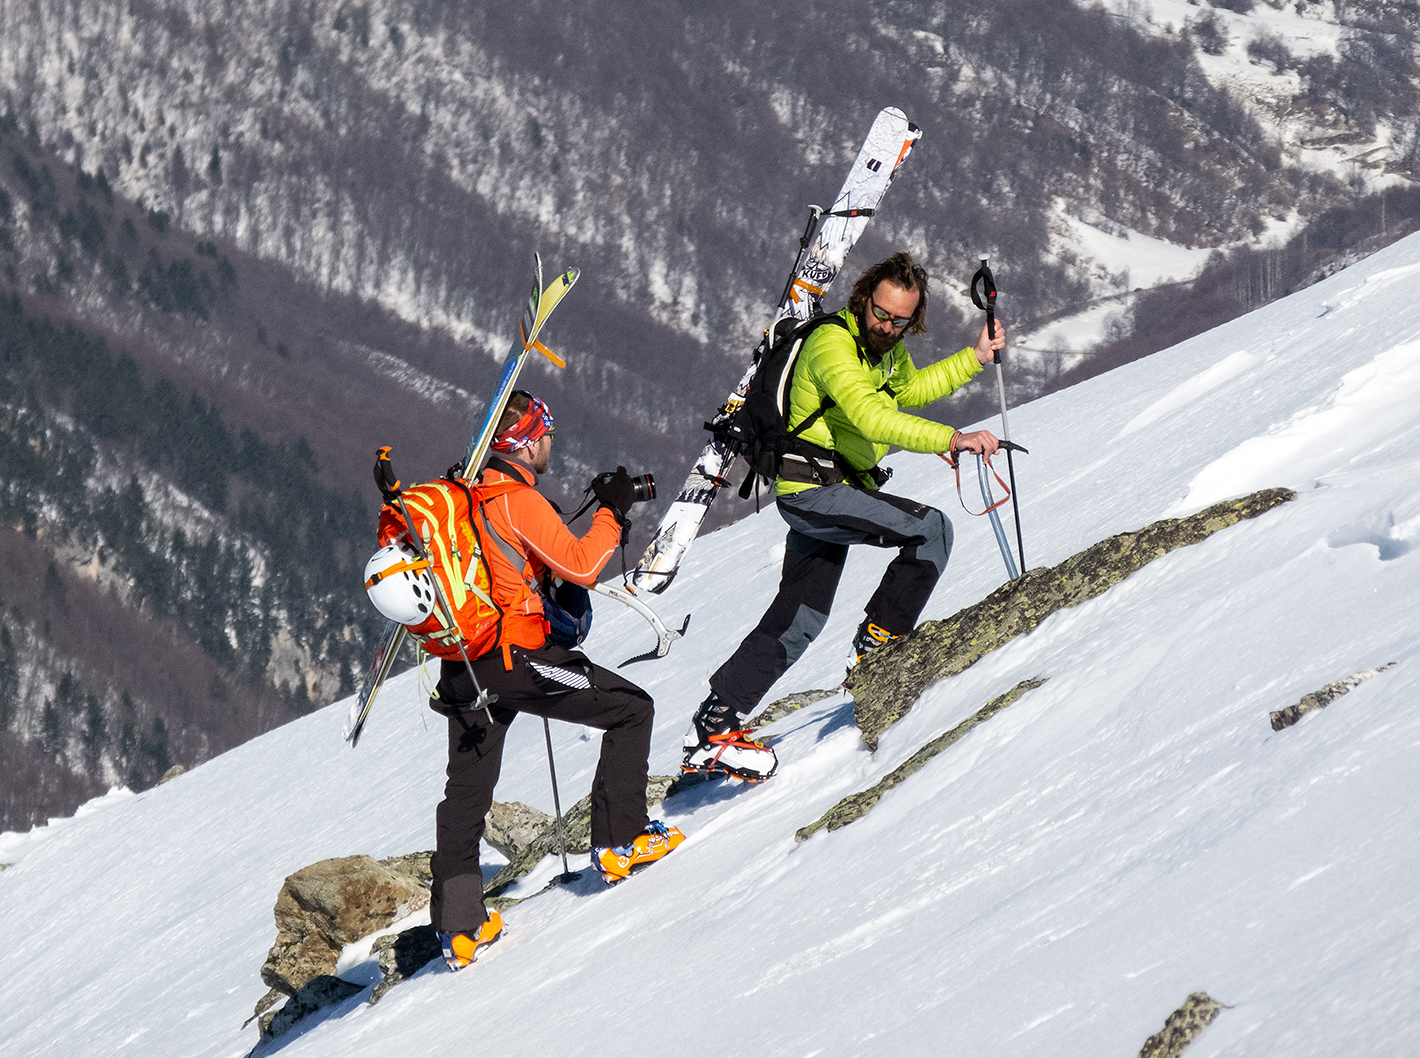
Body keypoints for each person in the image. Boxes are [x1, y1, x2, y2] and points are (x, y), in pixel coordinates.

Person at [375, 391, 683, 971]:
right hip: (520, 659)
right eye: (545, 434)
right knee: (630, 708)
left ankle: (460, 926)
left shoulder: (470, 498)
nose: (550, 444)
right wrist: (612, 511)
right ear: (528, 442)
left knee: (465, 792)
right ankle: (621, 841)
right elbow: (585, 565)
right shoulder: (518, 500)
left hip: (464, 665)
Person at [682, 253, 1005, 782]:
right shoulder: (833, 344)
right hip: (814, 492)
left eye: (901, 320)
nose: (888, 326)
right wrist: (951, 438)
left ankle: (718, 720)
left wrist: (973, 357)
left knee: (802, 614)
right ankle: (877, 647)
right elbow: (873, 416)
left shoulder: (885, 350)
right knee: (931, 530)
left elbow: (908, 392)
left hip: (831, 488)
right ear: (863, 299)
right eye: (882, 313)